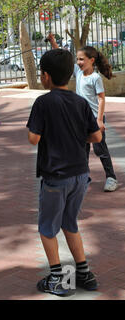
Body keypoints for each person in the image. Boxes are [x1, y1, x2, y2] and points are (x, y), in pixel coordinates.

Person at [27, 49, 102, 296]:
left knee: (47, 228)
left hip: (56, 177)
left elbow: (33, 138)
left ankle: (58, 279)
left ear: (46, 76)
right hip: (81, 175)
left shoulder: (43, 102)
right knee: (70, 223)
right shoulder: (80, 102)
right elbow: (96, 136)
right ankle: (84, 274)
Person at [48, 34, 118, 192]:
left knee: (101, 150)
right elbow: (64, 57)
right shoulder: (78, 73)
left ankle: (111, 177)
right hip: (79, 120)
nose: (78, 62)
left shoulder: (95, 78)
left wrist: (99, 120)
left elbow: (101, 99)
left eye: (81, 59)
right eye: (77, 59)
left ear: (91, 60)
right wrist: (53, 43)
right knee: (81, 151)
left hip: (94, 120)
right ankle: (83, 178)